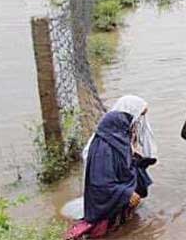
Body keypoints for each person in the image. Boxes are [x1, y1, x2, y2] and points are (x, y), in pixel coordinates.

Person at [66, 96, 157, 239]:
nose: (137, 123)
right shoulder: (104, 149)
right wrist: (127, 193)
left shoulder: (118, 139)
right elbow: (101, 183)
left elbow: (124, 165)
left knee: (140, 174)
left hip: (115, 186)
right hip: (103, 194)